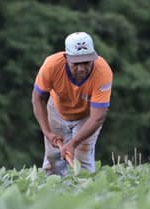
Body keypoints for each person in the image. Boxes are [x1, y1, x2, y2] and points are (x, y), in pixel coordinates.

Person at [31, 31, 113, 176]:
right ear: (66, 58)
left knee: (82, 159)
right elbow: (38, 98)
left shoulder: (103, 72)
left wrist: (73, 144)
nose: (81, 68)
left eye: (86, 63)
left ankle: (86, 192)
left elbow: (97, 117)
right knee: (53, 158)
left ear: (93, 58)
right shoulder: (51, 65)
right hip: (57, 111)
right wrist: (47, 132)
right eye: (76, 63)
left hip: (87, 117)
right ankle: (52, 192)